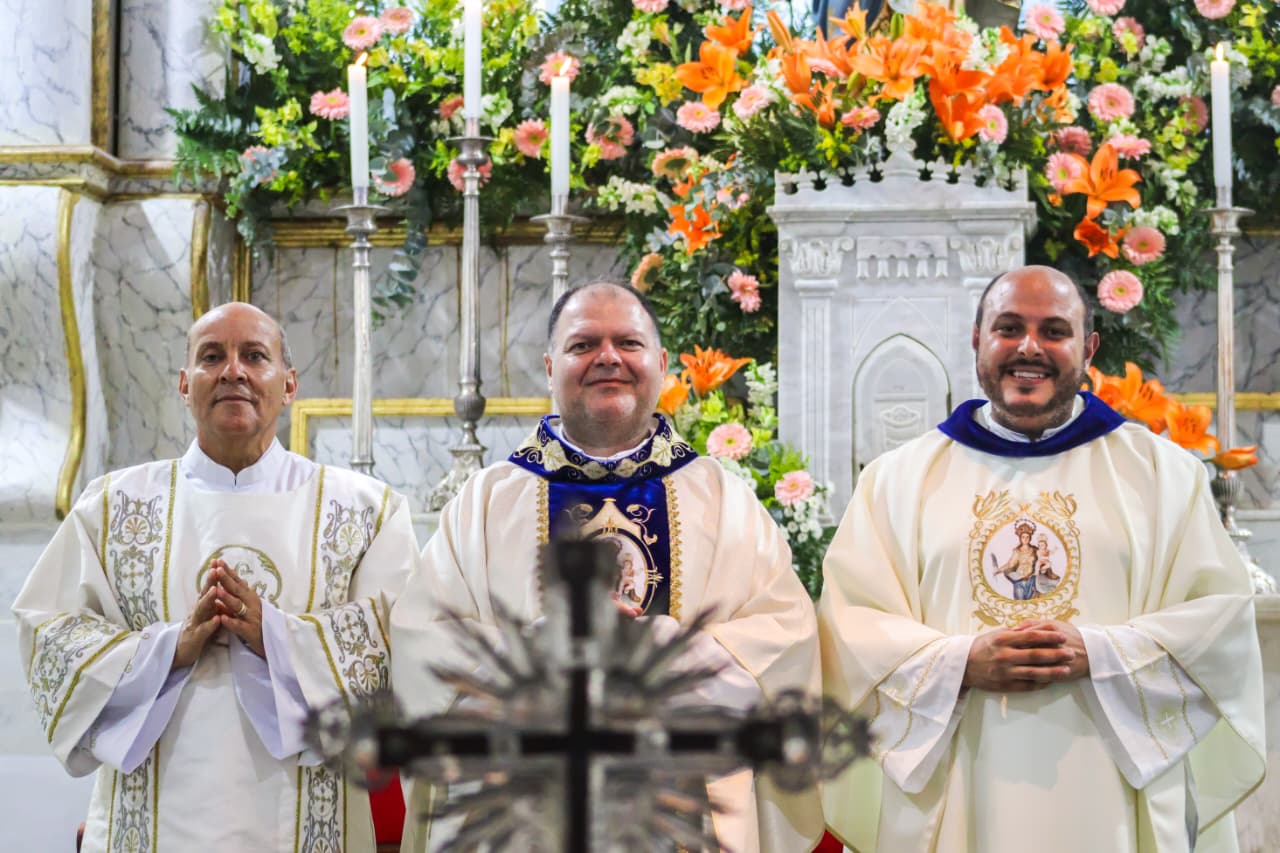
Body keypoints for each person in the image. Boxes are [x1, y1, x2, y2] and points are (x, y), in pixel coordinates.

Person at [818, 266, 1265, 853]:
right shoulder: (896, 482)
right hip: (956, 793)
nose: (1029, 347)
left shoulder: (1161, 474)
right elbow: (849, 630)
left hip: (1110, 797)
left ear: (1088, 349)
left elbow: (1219, 625)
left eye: (1055, 331)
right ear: (977, 338)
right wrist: (957, 664)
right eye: (1009, 328)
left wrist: (1099, 654)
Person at [391, 280, 823, 852]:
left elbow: (786, 637)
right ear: (550, 367)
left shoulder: (721, 498)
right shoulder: (488, 500)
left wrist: (661, 650)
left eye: (628, 342)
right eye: (583, 345)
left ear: (662, 365)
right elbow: (422, 642)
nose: (608, 358)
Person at [13, 302, 419, 852]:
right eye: (212, 357)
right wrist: (169, 649)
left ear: (289, 384)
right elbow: (48, 634)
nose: (234, 371)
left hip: (304, 822)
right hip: (155, 823)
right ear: (185, 384)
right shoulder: (112, 506)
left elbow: (401, 644)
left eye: (255, 356)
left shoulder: (365, 510)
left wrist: (273, 634)